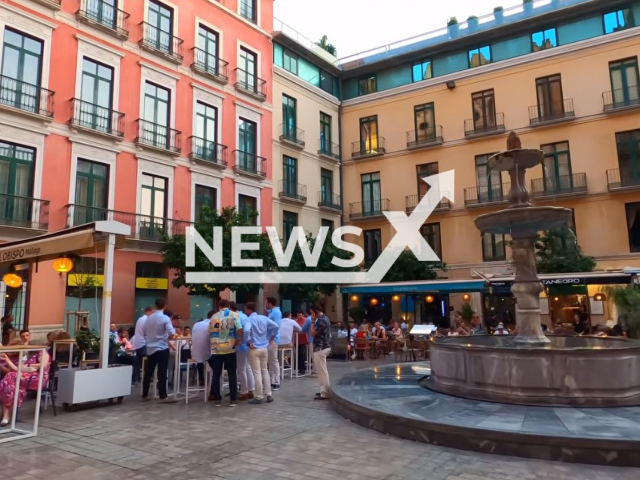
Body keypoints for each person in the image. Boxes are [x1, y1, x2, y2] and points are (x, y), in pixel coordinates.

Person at [0, 343, 50, 425]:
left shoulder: (43, 353)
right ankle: (6, 415)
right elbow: (17, 369)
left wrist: (29, 365)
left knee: (8, 382)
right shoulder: (28, 356)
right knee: (9, 384)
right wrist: (7, 360)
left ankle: (6, 415)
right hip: (25, 377)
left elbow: (43, 365)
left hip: (38, 378)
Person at [141, 298, 177, 404]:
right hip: (162, 347)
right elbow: (171, 332)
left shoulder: (149, 318)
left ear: (155, 305)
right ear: (165, 305)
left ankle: (145, 394)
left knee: (148, 372)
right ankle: (163, 395)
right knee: (162, 371)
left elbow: (144, 332)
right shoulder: (164, 318)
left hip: (150, 348)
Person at [208, 299, 243, 407]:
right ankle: (233, 398)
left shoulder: (213, 316)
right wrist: (239, 339)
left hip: (216, 348)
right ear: (228, 305)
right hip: (229, 347)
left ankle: (217, 398)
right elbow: (239, 328)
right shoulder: (234, 315)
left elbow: (209, 330)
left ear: (219, 305)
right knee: (232, 373)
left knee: (216, 374)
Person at [244, 302, 279, 405]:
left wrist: (248, 341)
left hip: (254, 348)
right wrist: (272, 337)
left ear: (248, 309)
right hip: (264, 347)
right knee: (265, 371)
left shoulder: (249, 319)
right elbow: (276, 326)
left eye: (245, 309)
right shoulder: (264, 318)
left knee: (257, 372)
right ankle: (269, 394)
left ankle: (259, 396)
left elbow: (246, 330)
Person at [230, 302, 254, 401]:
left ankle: (244, 391)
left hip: (240, 345)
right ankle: (251, 389)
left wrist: (240, 340)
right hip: (247, 345)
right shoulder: (244, 315)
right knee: (247, 367)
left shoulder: (235, 317)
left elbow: (240, 330)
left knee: (241, 368)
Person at [311, 305, 332, 400]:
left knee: (322, 371)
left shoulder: (320, 321)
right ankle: (323, 390)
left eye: (312, 312)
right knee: (321, 371)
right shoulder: (325, 318)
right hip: (324, 346)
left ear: (315, 312)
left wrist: (312, 321)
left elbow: (313, 333)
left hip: (320, 347)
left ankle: (325, 392)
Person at [265, 297, 282, 391]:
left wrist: (271, 337)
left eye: (266, 302)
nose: (265, 304)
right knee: (270, 361)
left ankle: (276, 381)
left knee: (273, 360)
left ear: (270, 303)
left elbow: (277, 326)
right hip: (269, 339)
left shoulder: (276, 312)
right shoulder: (271, 312)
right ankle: (271, 380)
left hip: (273, 339)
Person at [131, 307, 152, 385]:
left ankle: (134, 379)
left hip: (138, 343)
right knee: (148, 361)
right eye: (152, 312)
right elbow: (146, 332)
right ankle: (148, 378)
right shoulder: (146, 320)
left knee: (138, 362)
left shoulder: (140, 319)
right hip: (143, 343)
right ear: (148, 311)